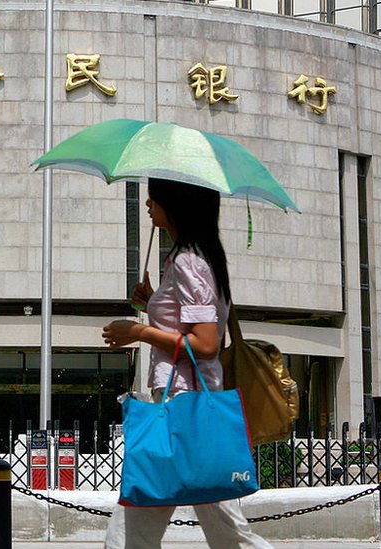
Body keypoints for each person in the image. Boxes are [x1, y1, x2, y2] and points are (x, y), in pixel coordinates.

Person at [101, 179, 272, 549]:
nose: (148, 203)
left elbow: (205, 344)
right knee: (221, 529)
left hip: (184, 400)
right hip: (188, 400)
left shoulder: (187, 260)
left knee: (139, 521)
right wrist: (151, 304)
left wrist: (139, 332)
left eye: (155, 196)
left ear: (176, 203)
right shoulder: (193, 256)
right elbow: (191, 325)